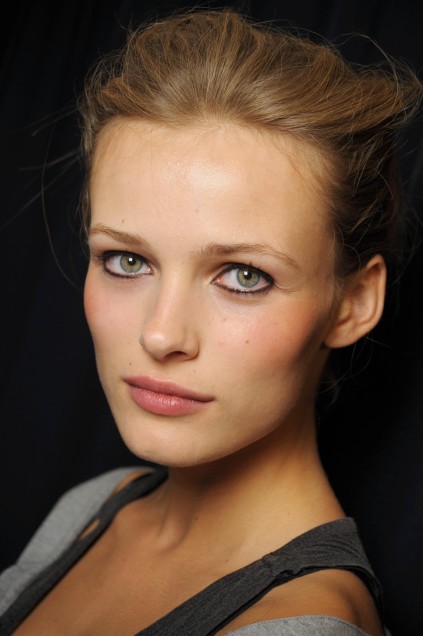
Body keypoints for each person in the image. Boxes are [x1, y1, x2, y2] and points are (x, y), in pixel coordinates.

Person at [0, 9, 421, 635]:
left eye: (244, 276)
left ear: (354, 302)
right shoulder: (94, 508)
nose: (161, 335)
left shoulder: (302, 626)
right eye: (127, 260)